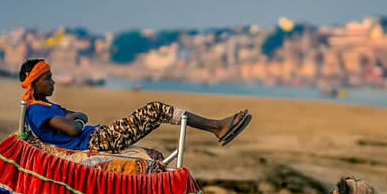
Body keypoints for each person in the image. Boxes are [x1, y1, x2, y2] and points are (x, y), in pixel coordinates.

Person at [18, 59, 252, 152]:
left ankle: (217, 127)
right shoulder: (37, 109)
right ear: (34, 83)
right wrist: (75, 119)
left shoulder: (45, 105)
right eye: (47, 79)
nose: (53, 82)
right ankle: (216, 127)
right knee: (155, 110)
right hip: (98, 140)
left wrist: (75, 117)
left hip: (100, 135)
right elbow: (75, 128)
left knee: (155, 111)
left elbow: (81, 116)